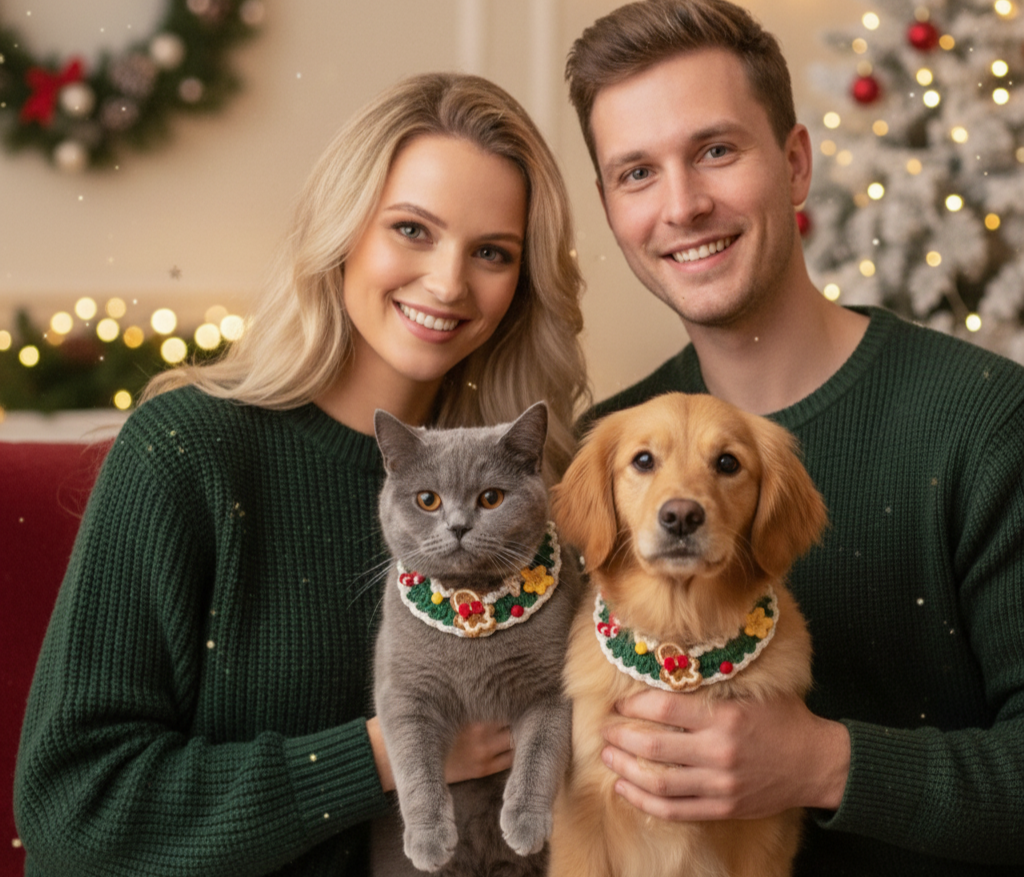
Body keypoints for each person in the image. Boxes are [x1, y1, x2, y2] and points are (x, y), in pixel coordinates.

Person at [13, 72, 588, 877]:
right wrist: (380, 755)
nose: (449, 282)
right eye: (412, 230)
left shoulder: (535, 494)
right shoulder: (187, 452)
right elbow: (73, 806)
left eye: (492, 252)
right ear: (343, 231)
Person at [564, 1, 1024, 874]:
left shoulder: (987, 422)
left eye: (716, 150)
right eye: (637, 173)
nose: (683, 206)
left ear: (796, 162)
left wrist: (824, 764)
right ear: (611, 208)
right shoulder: (612, 451)